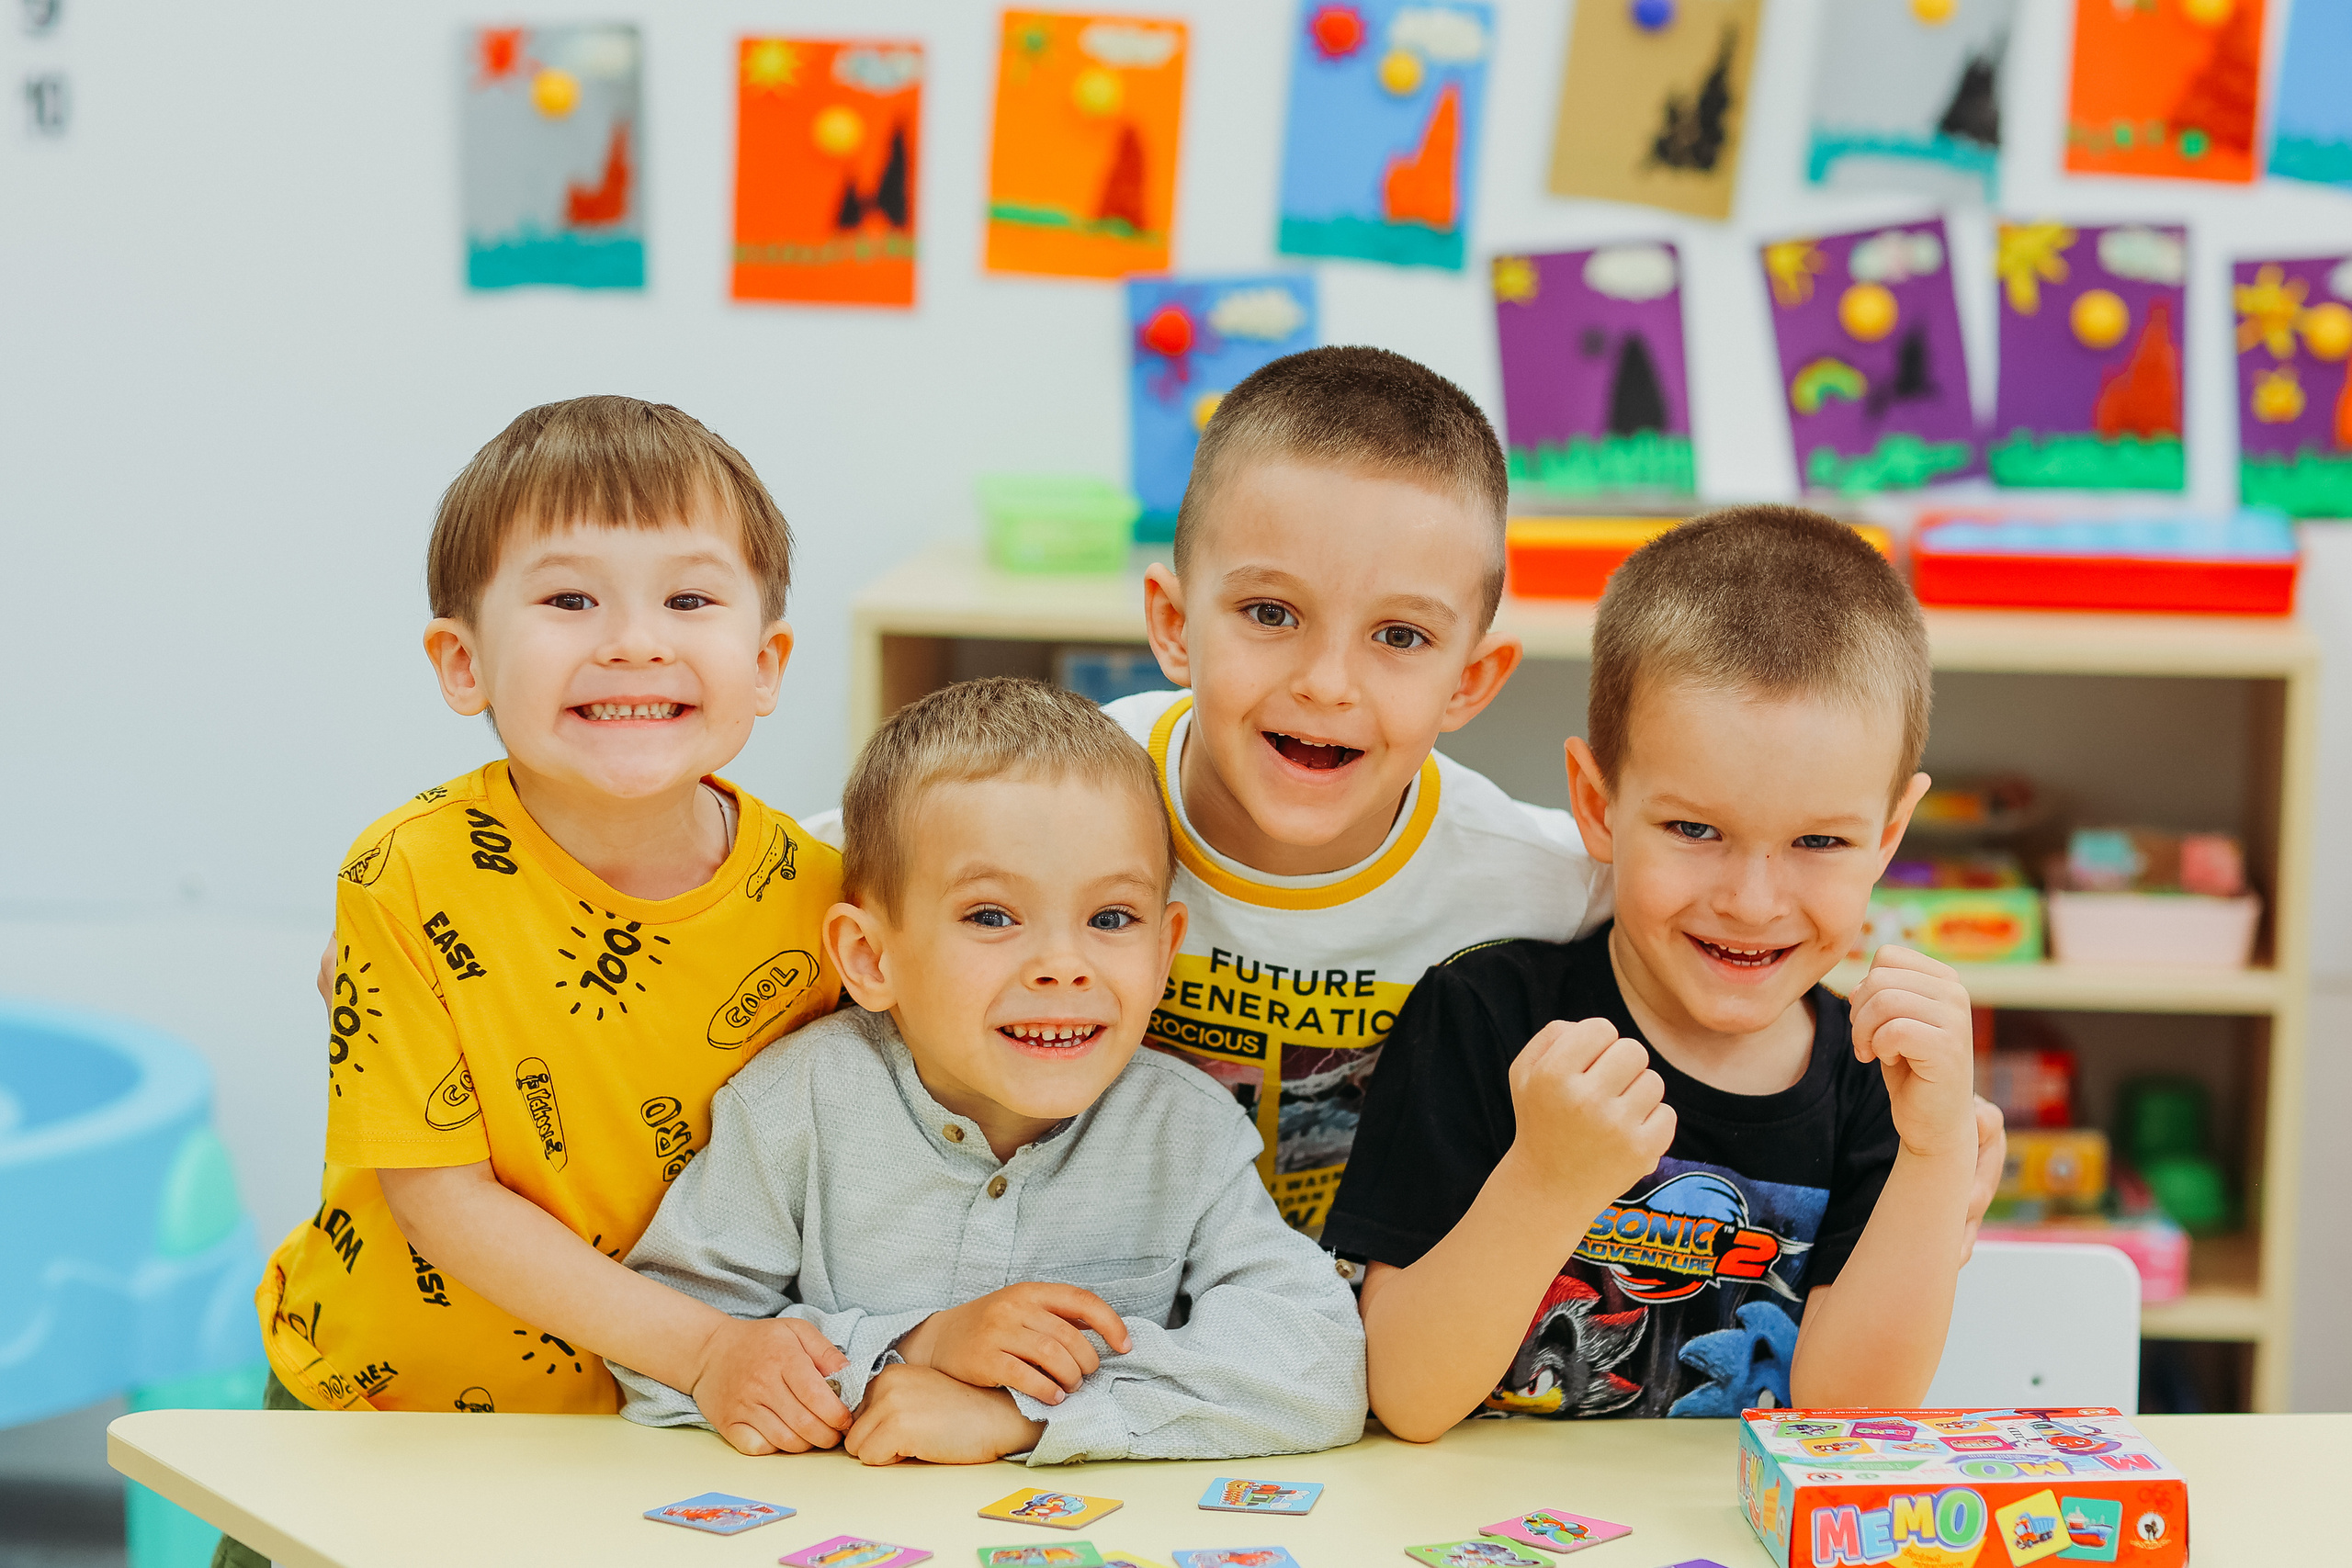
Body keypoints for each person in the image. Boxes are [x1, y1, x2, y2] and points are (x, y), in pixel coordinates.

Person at [231, 398, 861, 1568]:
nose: (633, 642)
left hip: (663, 1442)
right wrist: (708, 1352)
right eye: (571, 600)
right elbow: (442, 1198)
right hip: (384, 1410)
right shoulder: (403, 875)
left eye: (689, 599)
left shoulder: (828, 902)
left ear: (765, 664)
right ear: (462, 662)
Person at [1327, 506, 2002, 1437]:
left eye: (1819, 840)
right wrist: (1546, 1179)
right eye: (1694, 831)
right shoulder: (1482, 1015)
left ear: (1886, 836)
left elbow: (1848, 1422)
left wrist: (1933, 1159)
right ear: (1597, 804)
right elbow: (1405, 1396)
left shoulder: (1879, 1085)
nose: (1754, 901)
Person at [609, 678, 1367, 1465]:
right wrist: (912, 1348)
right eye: (992, 916)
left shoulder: (1188, 1130)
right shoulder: (796, 1105)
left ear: (1163, 948)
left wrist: (1029, 1415)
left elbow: (1321, 1364)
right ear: (871, 957)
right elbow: (663, 1349)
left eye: (1111, 918)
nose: (1064, 966)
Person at [1103, 344, 1611, 1234]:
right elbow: (822, 866)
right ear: (1175, 625)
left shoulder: (1546, 882)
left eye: (1401, 637)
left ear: (1470, 681)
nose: (1328, 683)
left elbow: (1723, 927)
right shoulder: (1053, 793)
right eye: (1271, 614)